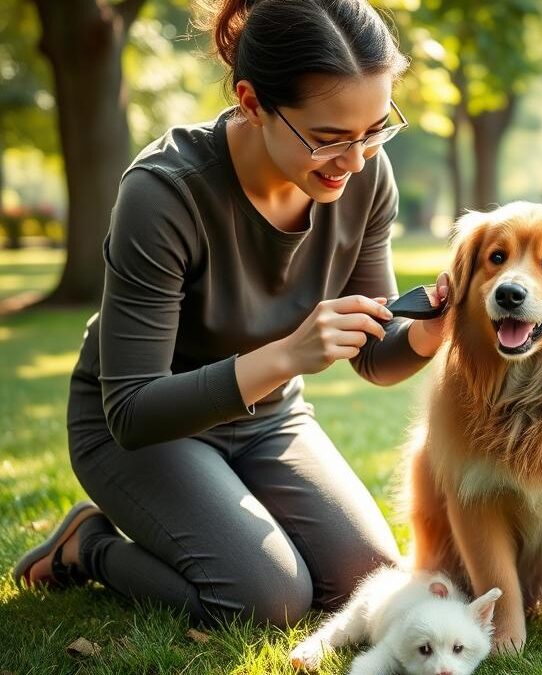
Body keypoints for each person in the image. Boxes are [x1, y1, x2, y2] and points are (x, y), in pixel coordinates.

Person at [12, 0, 450, 628]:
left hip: (269, 417)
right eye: (328, 139)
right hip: (143, 429)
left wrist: (428, 333)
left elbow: (376, 356)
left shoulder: (365, 176)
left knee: (367, 582)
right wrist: (291, 354)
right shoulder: (164, 195)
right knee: (266, 599)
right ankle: (91, 547)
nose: (354, 162)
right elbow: (133, 409)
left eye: (375, 129)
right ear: (250, 101)